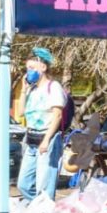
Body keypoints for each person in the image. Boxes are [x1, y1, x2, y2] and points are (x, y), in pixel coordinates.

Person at [16, 47, 66, 201]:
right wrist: (24, 90)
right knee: (23, 184)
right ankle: (37, 205)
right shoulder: (32, 90)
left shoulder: (53, 87)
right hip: (31, 139)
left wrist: (46, 140)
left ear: (43, 68)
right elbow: (20, 112)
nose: (28, 72)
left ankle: (43, 210)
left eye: (32, 68)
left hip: (47, 139)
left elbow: (57, 115)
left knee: (44, 185)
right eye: (27, 69)